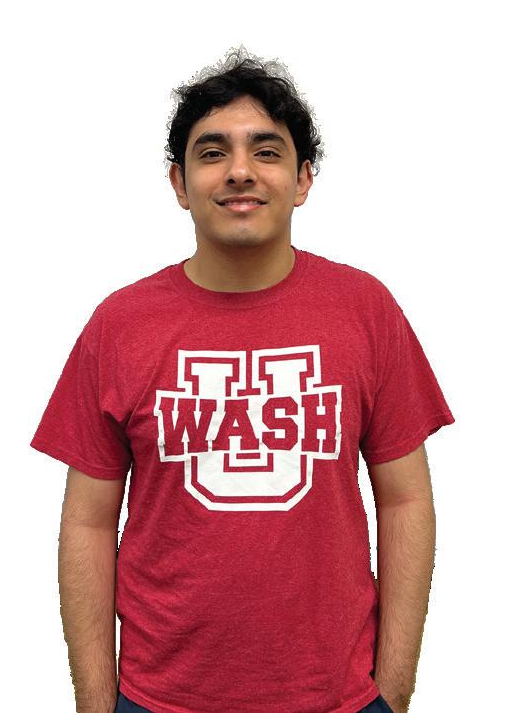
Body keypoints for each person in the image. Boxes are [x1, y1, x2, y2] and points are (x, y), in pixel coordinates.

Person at [30, 47, 455, 713]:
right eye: (211, 153)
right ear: (179, 184)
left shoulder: (366, 310)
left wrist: (394, 691)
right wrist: (94, 702)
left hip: (339, 699)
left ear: (303, 178)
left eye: (266, 151)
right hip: (158, 699)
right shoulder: (119, 325)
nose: (238, 171)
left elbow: (405, 500)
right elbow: (87, 523)